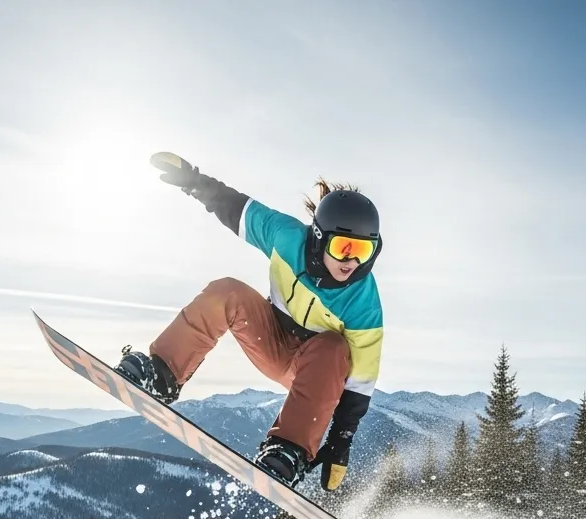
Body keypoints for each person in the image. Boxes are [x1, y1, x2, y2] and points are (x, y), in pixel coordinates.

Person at [115, 152, 384, 492]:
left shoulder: (364, 303)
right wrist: (194, 182)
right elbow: (236, 208)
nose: (352, 262)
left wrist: (341, 441)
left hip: (316, 372)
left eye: (363, 251)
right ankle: (163, 374)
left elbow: (360, 382)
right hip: (269, 339)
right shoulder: (286, 237)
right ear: (318, 236)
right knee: (228, 291)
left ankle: (288, 450)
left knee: (334, 346)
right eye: (344, 247)